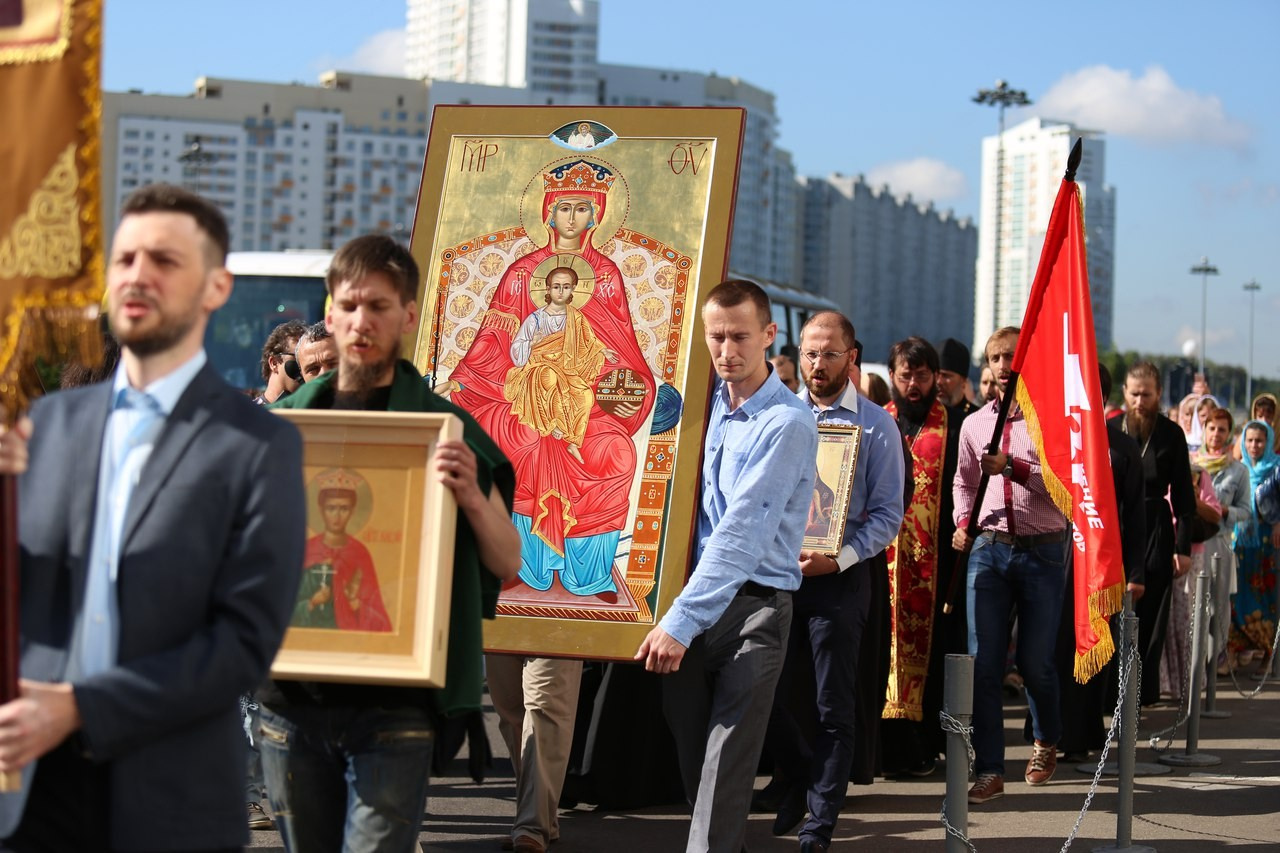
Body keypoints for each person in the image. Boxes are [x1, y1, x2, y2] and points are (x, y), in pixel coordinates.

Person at [0, 183, 306, 851]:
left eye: (164, 260)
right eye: (125, 258)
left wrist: (79, 708)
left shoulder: (258, 445)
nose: (138, 275)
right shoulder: (47, 424)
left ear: (216, 287)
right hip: (29, 797)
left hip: (171, 801)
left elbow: (243, 643)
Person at [258, 234, 521, 853]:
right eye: (349, 306)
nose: (362, 321)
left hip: (396, 704)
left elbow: (507, 560)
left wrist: (471, 496)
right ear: (330, 314)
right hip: (291, 701)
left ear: (407, 316)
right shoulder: (284, 433)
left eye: (378, 306)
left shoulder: (445, 432)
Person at [634, 280, 817, 853]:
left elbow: (741, 534)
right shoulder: (701, 404)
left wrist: (680, 620)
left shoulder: (787, 422)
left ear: (769, 335)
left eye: (740, 336)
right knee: (695, 764)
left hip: (754, 609)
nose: (726, 349)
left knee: (724, 761)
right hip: (688, 600)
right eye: (716, 337)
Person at [442, 159, 655, 602]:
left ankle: (588, 577)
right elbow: (494, 341)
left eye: (582, 208)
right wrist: (462, 380)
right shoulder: (522, 273)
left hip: (583, 397)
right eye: (564, 208)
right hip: (525, 393)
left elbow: (620, 350)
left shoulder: (606, 276)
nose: (572, 218)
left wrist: (614, 385)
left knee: (615, 453)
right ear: (548, 213)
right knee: (520, 443)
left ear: (596, 215)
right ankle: (521, 567)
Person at [762, 312, 904, 850]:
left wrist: (838, 559)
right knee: (760, 689)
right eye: (810, 352)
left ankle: (819, 824)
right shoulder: (779, 416)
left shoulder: (876, 426)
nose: (818, 364)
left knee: (831, 705)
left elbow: (887, 516)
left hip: (840, 579)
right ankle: (800, 773)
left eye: (829, 353)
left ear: (852, 357)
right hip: (778, 573)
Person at [952, 326, 1071, 805]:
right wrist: (962, 521)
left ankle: (1045, 739)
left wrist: (1015, 468)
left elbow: (1064, 485)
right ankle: (990, 769)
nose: (1004, 366)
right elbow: (964, 483)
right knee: (983, 664)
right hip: (989, 548)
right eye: (996, 358)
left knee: (1035, 663)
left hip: (1044, 550)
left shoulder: (1053, 422)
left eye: (1012, 356)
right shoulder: (974, 424)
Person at [880, 337, 963, 776]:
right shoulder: (880, 422)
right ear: (893, 376)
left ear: (936, 378)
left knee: (934, 655)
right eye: (905, 375)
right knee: (883, 652)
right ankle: (885, 748)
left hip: (937, 563)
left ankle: (924, 745)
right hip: (883, 561)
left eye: (923, 376)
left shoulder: (955, 427)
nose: (914, 384)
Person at [1120, 362, 1196, 706]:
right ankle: (1109, 693)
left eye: (1146, 395)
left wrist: (1183, 548)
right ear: (1124, 392)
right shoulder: (1111, 428)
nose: (1140, 401)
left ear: (1159, 394)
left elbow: (1184, 497)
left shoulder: (1171, 434)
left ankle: (1140, 693)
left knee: (1149, 617)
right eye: (1134, 394)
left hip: (1156, 529)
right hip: (1117, 527)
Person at [504, 266, 615, 466]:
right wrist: (532, 343)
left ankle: (573, 441)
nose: (561, 291)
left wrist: (603, 351)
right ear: (547, 289)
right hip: (538, 366)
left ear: (573, 289)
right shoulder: (536, 319)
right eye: (556, 287)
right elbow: (517, 350)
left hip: (566, 368)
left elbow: (588, 341)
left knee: (585, 395)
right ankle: (554, 423)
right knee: (549, 377)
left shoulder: (576, 317)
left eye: (566, 287)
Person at [485, 654, 583, 853]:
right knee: (511, 711)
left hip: (558, 634)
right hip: (500, 633)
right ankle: (542, 817)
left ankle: (532, 826)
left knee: (543, 707)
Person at [293, 468, 392, 631]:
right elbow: (286, 609)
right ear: (321, 509)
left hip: (349, 635)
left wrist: (354, 602)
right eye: (331, 508)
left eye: (344, 509)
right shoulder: (307, 550)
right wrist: (312, 602)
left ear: (352, 511)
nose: (337, 516)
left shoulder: (359, 553)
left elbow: (378, 619)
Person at [1193, 408, 1252, 671]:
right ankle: (1192, 661)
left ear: (1229, 434)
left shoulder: (1238, 470)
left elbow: (1246, 510)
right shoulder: (1191, 464)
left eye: (1222, 429)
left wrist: (1223, 510)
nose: (1216, 434)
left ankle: (1215, 660)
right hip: (1194, 542)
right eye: (1212, 428)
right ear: (1204, 430)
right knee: (1194, 602)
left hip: (1220, 541)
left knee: (1218, 604)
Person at [1230, 419, 1280, 663]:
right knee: (1239, 592)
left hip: (1268, 540)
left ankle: (1268, 652)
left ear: (1268, 442)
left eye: (1259, 441)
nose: (1253, 446)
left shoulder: (1277, 467)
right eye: (1249, 440)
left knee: (1266, 593)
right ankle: (1240, 648)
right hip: (1241, 540)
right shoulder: (1239, 469)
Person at [256, 318, 307, 404]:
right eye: (298, 358)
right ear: (274, 363)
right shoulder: (247, 411)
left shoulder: (315, 410)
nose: (306, 368)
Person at [936, 337, 978, 418]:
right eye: (936, 375)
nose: (939, 382)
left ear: (963, 381)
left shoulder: (978, 419)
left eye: (946, 376)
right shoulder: (922, 416)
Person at [1233, 393, 1279, 460]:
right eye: (1260, 416)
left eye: (1268, 417)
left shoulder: (1278, 441)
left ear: (1276, 417)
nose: (1264, 421)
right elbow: (1235, 460)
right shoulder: (1244, 438)